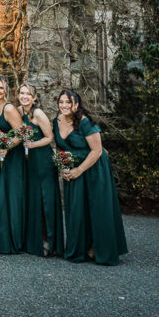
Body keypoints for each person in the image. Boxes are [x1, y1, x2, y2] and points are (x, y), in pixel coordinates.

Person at [55, 90, 127, 266]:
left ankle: (100, 248)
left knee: (96, 208)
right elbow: (60, 148)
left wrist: (79, 170)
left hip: (94, 169)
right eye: (61, 102)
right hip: (72, 170)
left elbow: (97, 151)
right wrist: (64, 168)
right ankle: (79, 248)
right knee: (77, 209)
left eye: (68, 102)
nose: (64, 105)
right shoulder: (56, 121)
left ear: (76, 104)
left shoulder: (85, 122)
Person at [19, 83, 64, 258]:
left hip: (43, 160)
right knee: (34, 199)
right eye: (22, 93)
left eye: (28, 94)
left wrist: (32, 144)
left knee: (45, 199)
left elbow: (50, 137)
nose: (24, 96)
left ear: (34, 97)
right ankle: (35, 240)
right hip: (29, 162)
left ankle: (49, 241)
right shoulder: (20, 111)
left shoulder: (38, 113)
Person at [0, 76, 26, 255]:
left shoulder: (9, 108)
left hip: (13, 157)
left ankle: (14, 240)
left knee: (11, 197)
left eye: (0, 88)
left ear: (6, 90)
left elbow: (21, 134)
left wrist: (7, 146)